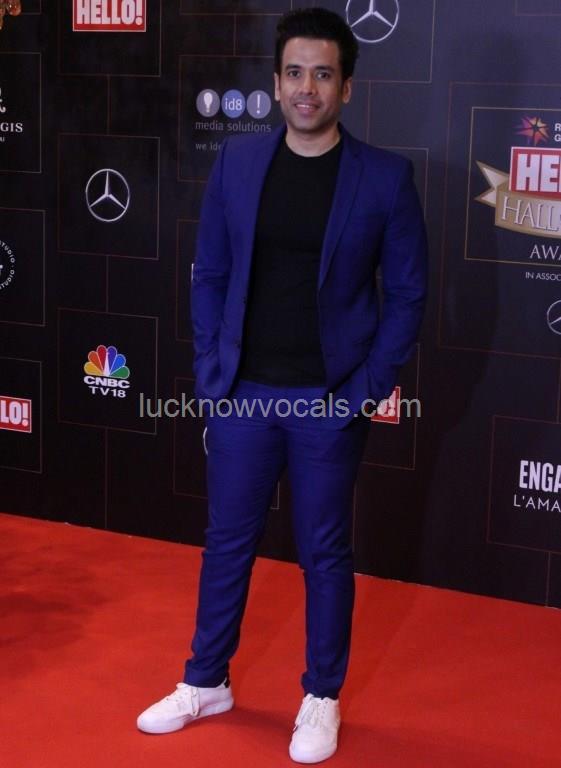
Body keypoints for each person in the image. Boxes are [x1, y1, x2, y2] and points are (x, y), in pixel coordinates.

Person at [137, 7, 428, 763]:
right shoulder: (238, 164)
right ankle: (206, 680)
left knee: (323, 553)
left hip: (328, 399)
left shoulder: (385, 178)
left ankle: (321, 696)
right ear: (275, 83)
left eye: (322, 74)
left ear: (346, 88)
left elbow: (407, 296)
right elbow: (210, 271)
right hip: (243, 393)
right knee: (226, 543)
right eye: (294, 73)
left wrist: (365, 389)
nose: (307, 88)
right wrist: (213, 374)